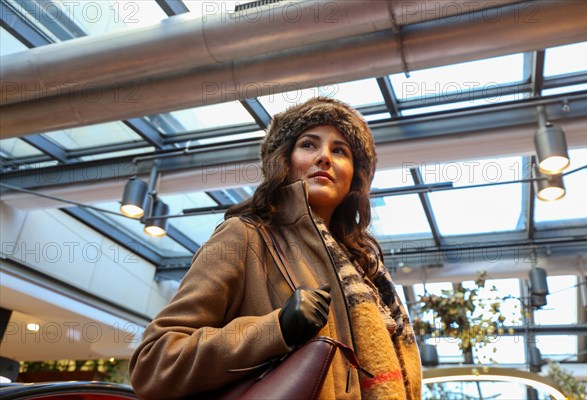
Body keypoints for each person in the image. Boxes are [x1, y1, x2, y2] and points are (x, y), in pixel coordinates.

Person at [128, 97, 422, 399]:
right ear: (284, 160)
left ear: (354, 177)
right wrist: (275, 329)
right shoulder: (244, 237)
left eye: (340, 150)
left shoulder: (368, 274)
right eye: (308, 145)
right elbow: (153, 362)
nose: (324, 157)